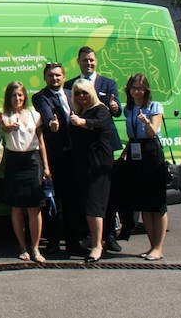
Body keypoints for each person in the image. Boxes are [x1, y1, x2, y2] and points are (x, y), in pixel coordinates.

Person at [66, 46, 124, 252]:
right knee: (89, 199)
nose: (88, 63)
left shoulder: (108, 83)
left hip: (103, 149)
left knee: (106, 197)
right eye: (84, 60)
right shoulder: (70, 85)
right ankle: (92, 238)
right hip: (83, 152)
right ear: (78, 62)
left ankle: (109, 235)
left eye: (91, 60)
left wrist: (116, 108)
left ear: (96, 61)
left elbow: (113, 112)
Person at [32, 61, 82, 254]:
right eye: (50, 75)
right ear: (45, 77)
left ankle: (72, 241)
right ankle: (53, 240)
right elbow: (47, 115)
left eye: (58, 75)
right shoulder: (40, 97)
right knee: (53, 200)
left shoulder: (71, 94)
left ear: (63, 76)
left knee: (72, 201)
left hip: (74, 156)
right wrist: (52, 122)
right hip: (54, 157)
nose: (54, 78)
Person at [0, 81, 50, 264]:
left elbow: (41, 141)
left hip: (33, 161)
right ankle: (22, 246)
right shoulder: (6, 115)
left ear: (24, 96)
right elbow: (2, 125)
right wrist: (7, 126)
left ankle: (35, 248)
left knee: (34, 207)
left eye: (20, 95)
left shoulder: (35, 115)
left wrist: (46, 166)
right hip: (14, 160)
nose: (17, 98)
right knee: (17, 207)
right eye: (13, 95)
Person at [119, 73, 168, 260]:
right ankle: (150, 246)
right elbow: (132, 137)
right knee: (144, 204)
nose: (136, 91)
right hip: (135, 151)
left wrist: (146, 121)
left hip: (152, 153)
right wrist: (125, 153)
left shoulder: (154, 106)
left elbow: (152, 133)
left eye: (140, 88)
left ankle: (158, 247)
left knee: (158, 203)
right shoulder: (128, 108)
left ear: (146, 90)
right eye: (133, 88)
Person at [68, 79, 118, 262]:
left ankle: (98, 246)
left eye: (84, 93)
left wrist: (80, 122)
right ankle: (96, 241)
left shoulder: (101, 110)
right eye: (77, 94)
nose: (81, 97)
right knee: (88, 207)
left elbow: (97, 124)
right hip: (83, 167)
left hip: (99, 167)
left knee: (94, 207)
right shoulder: (79, 112)